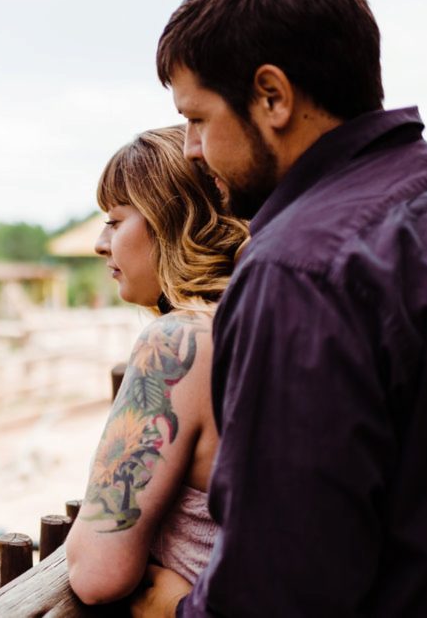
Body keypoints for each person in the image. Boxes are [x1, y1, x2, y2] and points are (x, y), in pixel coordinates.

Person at [143, 0, 427, 617]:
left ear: (272, 96)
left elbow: (279, 584)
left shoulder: (298, 270)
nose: (191, 149)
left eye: (198, 119)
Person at [64, 126, 248, 607]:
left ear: (172, 221)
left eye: (116, 220)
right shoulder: (257, 319)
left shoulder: (180, 341)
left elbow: (96, 572)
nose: (102, 244)